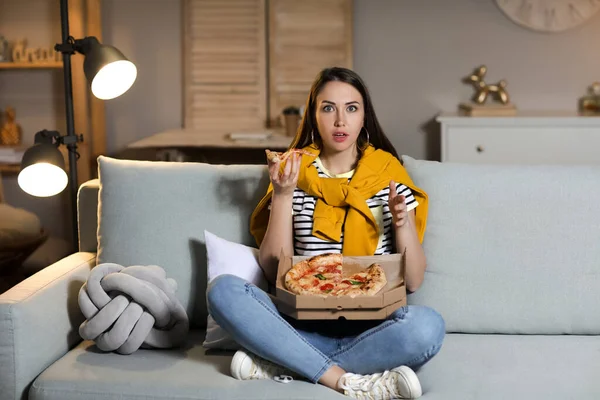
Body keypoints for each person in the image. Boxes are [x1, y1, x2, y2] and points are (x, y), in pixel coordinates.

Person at [207, 67, 445, 399]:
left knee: (427, 327)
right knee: (223, 290)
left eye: (351, 108)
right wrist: (282, 193)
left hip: (375, 326)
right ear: (313, 116)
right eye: (328, 107)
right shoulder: (292, 170)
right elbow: (276, 269)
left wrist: (402, 223)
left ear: (364, 117)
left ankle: (285, 361)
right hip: (299, 322)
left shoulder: (388, 173)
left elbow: (415, 281)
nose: (339, 121)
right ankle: (346, 380)